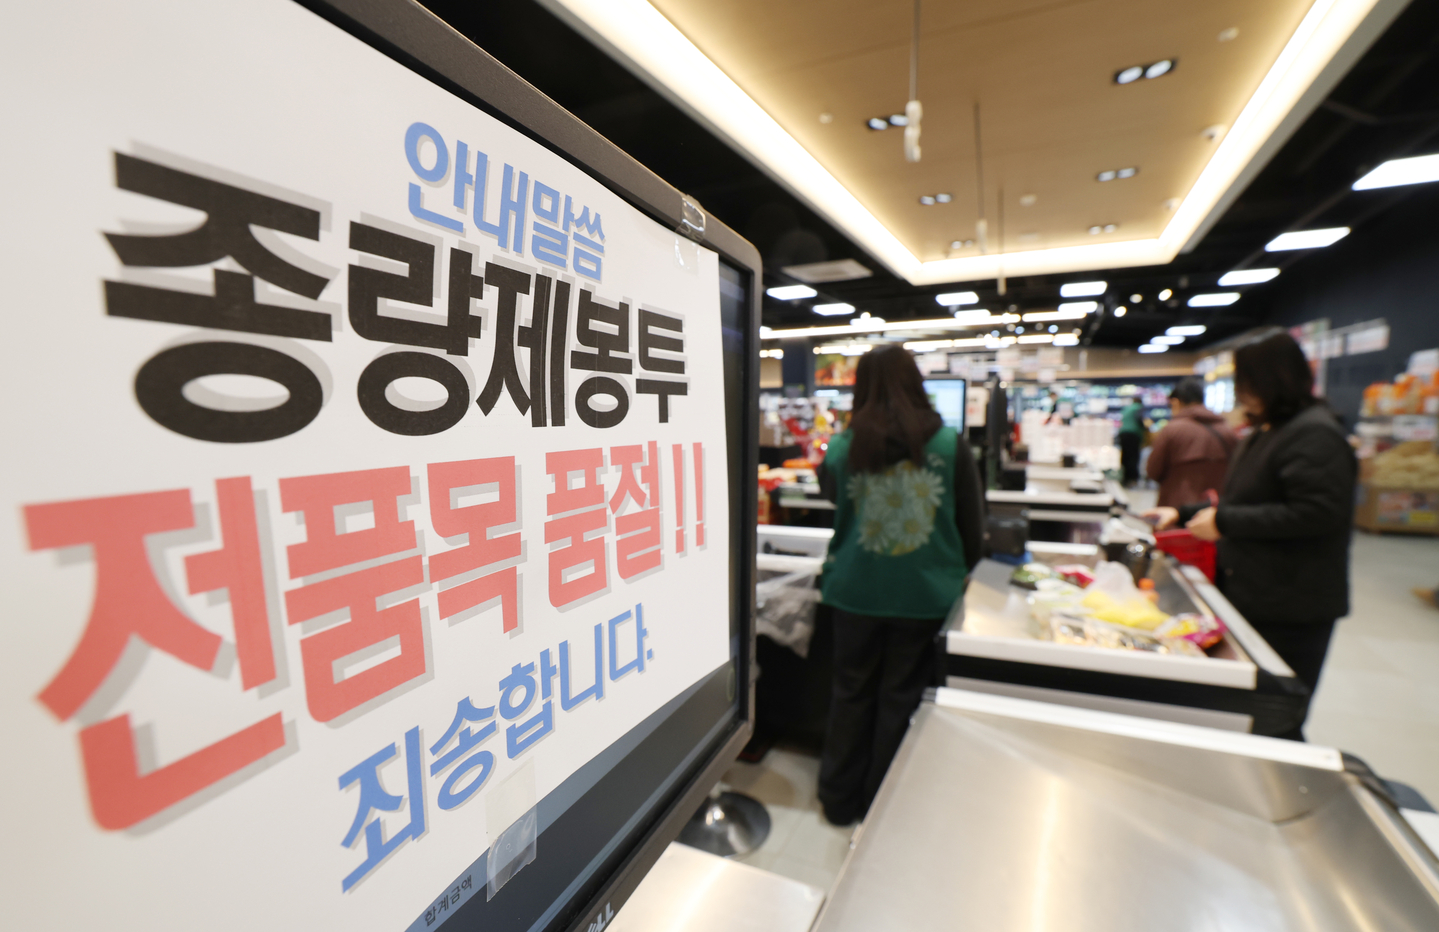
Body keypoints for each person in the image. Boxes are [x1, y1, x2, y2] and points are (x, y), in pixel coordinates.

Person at [1147, 330, 1356, 740]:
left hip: (1292, 602)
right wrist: (1184, 512)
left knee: (1276, 713)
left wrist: (1225, 525)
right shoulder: (1268, 430)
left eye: (1247, 384)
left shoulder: (1314, 434)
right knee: (1249, 707)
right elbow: (1242, 497)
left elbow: (1316, 513)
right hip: (1257, 591)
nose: (1242, 395)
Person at [816, 345, 983, 824]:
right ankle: (882, 805)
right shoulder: (949, 444)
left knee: (850, 694)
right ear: (916, 383)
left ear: (860, 387)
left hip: (855, 590)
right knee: (900, 700)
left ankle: (837, 799)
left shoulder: (845, 448)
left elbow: (834, 499)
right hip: (923, 593)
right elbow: (973, 529)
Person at [1146, 377, 1236, 508]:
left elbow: (1153, 471)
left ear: (1176, 402)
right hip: (1216, 513)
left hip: (1177, 511)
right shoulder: (1227, 430)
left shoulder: (1172, 430)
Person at [1117, 396, 1146, 486]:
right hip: (1133, 434)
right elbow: (1139, 420)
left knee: (1125, 456)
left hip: (1122, 434)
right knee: (1133, 457)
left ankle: (1124, 478)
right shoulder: (1138, 408)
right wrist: (1145, 428)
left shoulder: (1127, 408)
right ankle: (1132, 479)